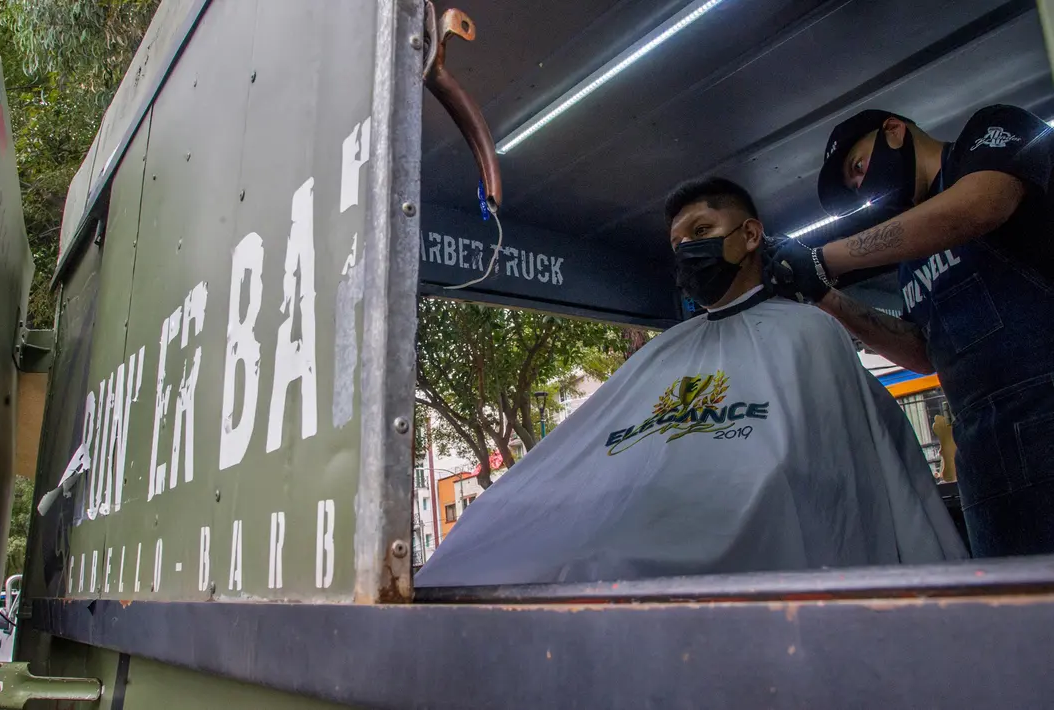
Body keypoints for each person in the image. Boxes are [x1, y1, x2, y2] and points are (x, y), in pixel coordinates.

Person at [413, 178, 965, 588]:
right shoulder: (666, 352)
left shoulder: (809, 333)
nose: (687, 250)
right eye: (678, 243)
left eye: (701, 232)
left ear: (751, 234)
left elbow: (837, 481)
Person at [767, 106, 1054, 558]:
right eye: (854, 186)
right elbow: (925, 353)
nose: (861, 185)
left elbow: (983, 203)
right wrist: (822, 293)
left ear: (895, 131)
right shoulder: (911, 262)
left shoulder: (984, 141)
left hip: (1046, 409)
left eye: (857, 168)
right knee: (1015, 614)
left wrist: (827, 258)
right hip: (982, 452)